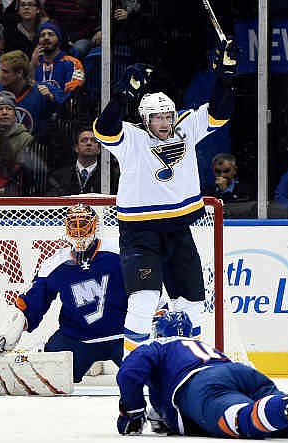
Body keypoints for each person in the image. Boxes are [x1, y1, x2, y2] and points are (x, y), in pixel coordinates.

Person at [93, 42, 237, 356]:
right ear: (145, 120)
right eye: (157, 118)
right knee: (143, 301)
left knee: (193, 304)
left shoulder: (185, 128)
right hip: (139, 234)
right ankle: (134, 366)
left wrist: (225, 77)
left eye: (168, 116)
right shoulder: (131, 138)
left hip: (178, 231)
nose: (164, 122)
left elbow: (220, 112)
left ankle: (190, 363)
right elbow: (104, 129)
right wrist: (122, 95)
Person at [115, 311, 288, 441]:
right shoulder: (203, 345)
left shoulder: (157, 346)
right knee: (284, 423)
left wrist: (133, 412)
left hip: (202, 385)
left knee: (238, 420)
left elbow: (129, 373)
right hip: (239, 372)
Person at [0, 203, 128, 383]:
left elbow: (143, 286)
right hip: (75, 339)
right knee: (42, 379)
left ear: (94, 225)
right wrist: (12, 326)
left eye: (84, 224)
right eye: (74, 225)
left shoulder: (118, 252)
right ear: (66, 227)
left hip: (122, 336)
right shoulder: (55, 263)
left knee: (152, 377)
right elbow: (31, 304)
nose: (79, 230)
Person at [0, 49, 62, 137]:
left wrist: (51, 98)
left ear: (19, 73)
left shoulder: (41, 91)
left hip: (33, 151)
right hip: (3, 151)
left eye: (5, 71)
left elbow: (61, 114)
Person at [31, 21, 85, 105]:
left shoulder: (72, 63)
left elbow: (73, 91)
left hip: (62, 114)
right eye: (42, 35)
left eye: (51, 34)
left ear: (59, 40)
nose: (46, 37)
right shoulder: (33, 63)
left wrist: (52, 96)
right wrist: (32, 66)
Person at [46, 126, 104, 196]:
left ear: (99, 149)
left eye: (94, 141)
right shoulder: (59, 176)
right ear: (76, 148)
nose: (89, 143)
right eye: (84, 140)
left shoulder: (109, 177)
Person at [203, 152, 256, 218]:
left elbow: (241, 209)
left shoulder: (245, 189)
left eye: (226, 171)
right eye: (218, 171)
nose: (222, 175)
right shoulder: (208, 191)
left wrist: (225, 191)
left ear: (235, 170)